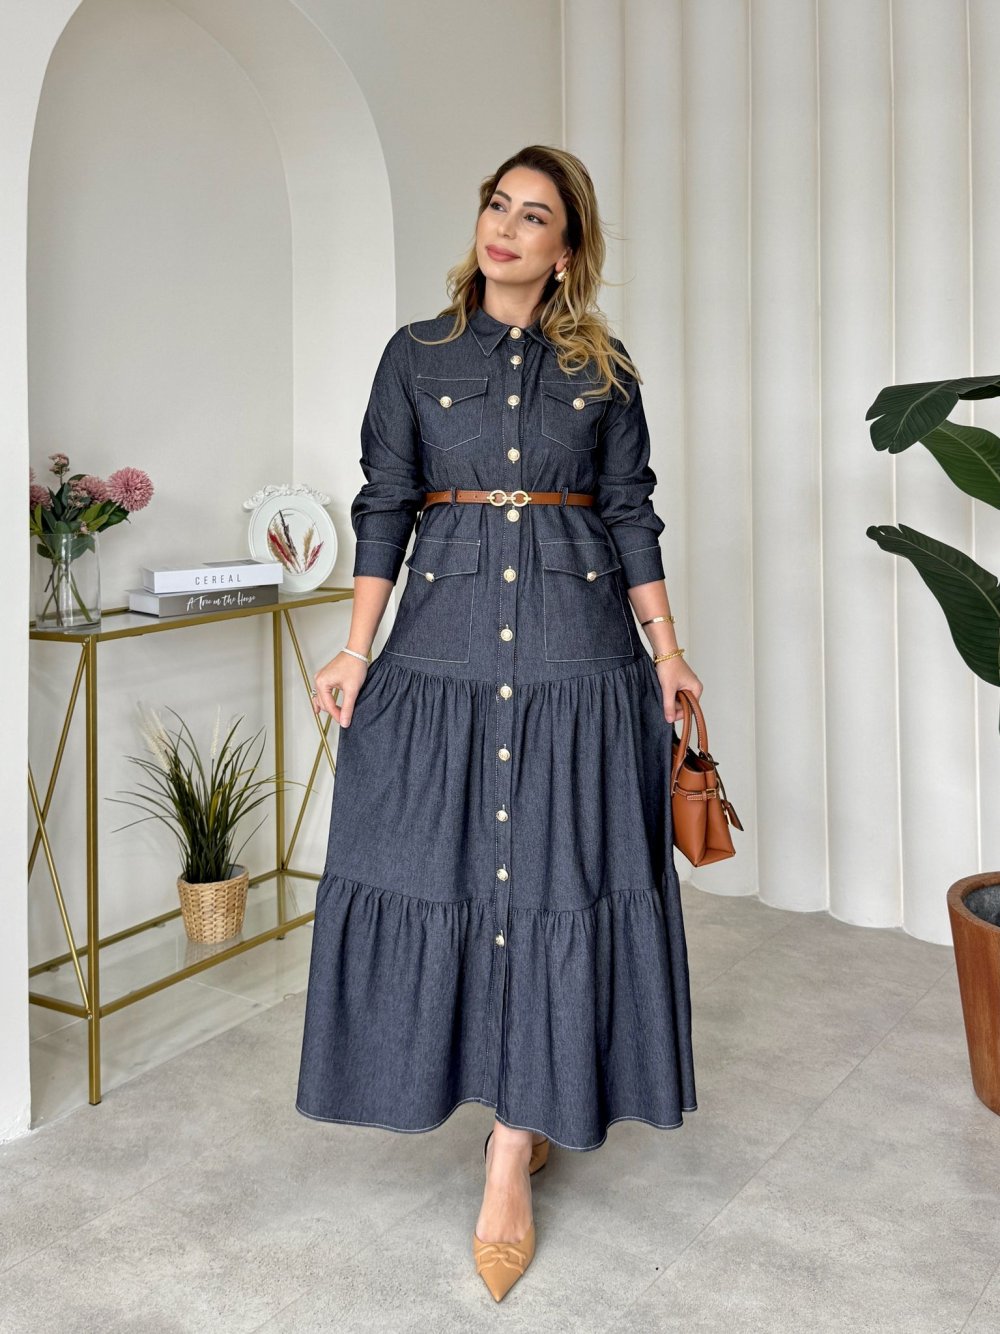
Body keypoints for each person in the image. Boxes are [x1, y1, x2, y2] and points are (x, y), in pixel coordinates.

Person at [296, 144, 703, 1303]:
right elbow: (385, 503)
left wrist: (668, 651)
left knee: (556, 887)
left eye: (534, 216)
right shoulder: (415, 355)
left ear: (566, 250)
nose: (506, 227)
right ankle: (489, 1100)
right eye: (496, 205)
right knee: (446, 876)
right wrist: (354, 647)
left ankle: (513, 1146)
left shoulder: (603, 370)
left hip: (579, 659)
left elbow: (629, 511)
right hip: (444, 651)